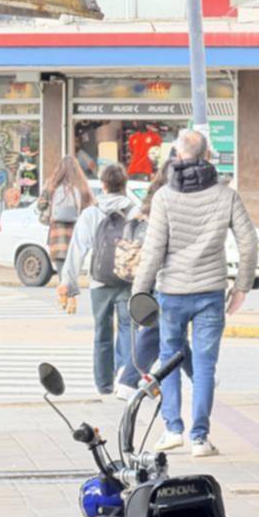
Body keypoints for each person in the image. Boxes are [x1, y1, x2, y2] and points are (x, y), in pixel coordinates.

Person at [133, 130, 257, 457]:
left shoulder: (163, 198)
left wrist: (139, 292)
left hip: (171, 293)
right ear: (207, 156)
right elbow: (248, 241)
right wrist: (242, 287)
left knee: (169, 359)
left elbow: (153, 250)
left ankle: (173, 429)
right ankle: (200, 438)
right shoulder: (225, 195)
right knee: (204, 366)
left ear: (176, 154)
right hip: (210, 293)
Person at [115, 159, 193, 400]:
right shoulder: (168, 202)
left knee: (171, 330)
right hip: (161, 275)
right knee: (157, 328)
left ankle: (195, 373)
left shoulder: (151, 200)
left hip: (151, 274)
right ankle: (128, 379)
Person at [58, 163, 135, 396]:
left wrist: (68, 283)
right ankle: (124, 376)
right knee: (127, 329)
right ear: (124, 185)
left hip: (100, 282)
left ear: (103, 185)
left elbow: (77, 249)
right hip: (128, 280)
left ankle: (103, 384)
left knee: (102, 332)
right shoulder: (135, 211)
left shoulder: (91, 213)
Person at [38, 155, 94, 277]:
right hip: (76, 234)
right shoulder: (82, 186)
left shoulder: (51, 185)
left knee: (61, 271)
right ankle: (69, 293)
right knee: (72, 272)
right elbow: (90, 210)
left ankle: (65, 294)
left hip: (57, 235)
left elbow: (41, 206)